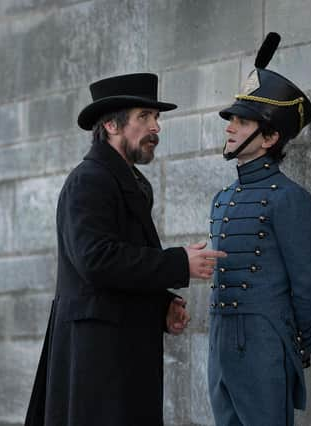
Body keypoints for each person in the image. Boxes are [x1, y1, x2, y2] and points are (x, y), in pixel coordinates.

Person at [25, 73, 227, 426]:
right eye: (144, 118)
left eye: (157, 118)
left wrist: (160, 303)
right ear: (110, 125)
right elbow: (96, 260)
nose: (156, 128)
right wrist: (179, 262)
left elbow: (120, 264)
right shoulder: (89, 180)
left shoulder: (128, 180)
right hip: (97, 358)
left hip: (123, 350)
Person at [206, 33, 311, 426]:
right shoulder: (223, 198)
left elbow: (309, 288)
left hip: (264, 344)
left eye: (242, 122)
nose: (230, 129)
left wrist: (290, 347)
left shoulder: (289, 199)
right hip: (220, 342)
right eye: (232, 121)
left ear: (270, 137)